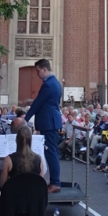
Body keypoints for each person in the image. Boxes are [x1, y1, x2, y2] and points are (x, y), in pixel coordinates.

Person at [0, 126, 45, 216]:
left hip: (12, 208)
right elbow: (39, 185)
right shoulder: (39, 159)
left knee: (7, 200)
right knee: (22, 199)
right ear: (31, 140)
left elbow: (3, 185)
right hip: (33, 208)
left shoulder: (9, 159)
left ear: (16, 140)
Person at [25, 58, 63, 193]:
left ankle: (55, 183)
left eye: (38, 71)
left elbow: (38, 103)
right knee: (51, 152)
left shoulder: (48, 84)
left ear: (44, 69)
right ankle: (54, 182)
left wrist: (26, 118)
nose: (37, 74)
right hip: (51, 120)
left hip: (49, 122)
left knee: (51, 152)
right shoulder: (55, 83)